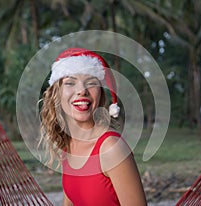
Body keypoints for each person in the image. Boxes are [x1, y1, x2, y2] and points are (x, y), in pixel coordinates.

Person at [39, 48, 147, 206]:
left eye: (91, 83)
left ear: (101, 94)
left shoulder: (111, 148)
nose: (82, 91)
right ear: (57, 94)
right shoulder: (69, 144)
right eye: (70, 83)